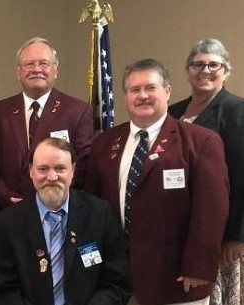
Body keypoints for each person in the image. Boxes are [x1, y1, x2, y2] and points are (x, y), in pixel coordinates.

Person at [85, 58, 229, 305]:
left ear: (167, 91)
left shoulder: (200, 142)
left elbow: (211, 211)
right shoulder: (105, 143)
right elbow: (91, 207)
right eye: (134, 89)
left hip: (176, 278)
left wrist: (198, 266)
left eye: (150, 88)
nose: (143, 96)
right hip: (114, 276)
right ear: (125, 95)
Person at [0, 137, 130, 305]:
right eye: (43, 169)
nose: (52, 177)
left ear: (73, 171)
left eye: (60, 168)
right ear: (31, 171)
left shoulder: (101, 215)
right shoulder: (5, 225)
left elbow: (117, 283)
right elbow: (1, 291)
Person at [168, 39, 244, 305]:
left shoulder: (237, 111)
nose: (206, 70)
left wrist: (235, 236)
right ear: (187, 71)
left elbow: (240, 175)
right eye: (198, 64)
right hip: (178, 228)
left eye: (214, 64)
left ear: (226, 70)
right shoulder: (172, 112)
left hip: (219, 232)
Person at [0, 37, 93, 209]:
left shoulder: (77, 111)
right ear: (18, 72)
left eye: (44, 63)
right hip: (9, 209)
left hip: (58, 208)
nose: (36, 69)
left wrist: (50, 197)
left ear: (56, 70)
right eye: (29, 64)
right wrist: (4, 194)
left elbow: (82, 164)